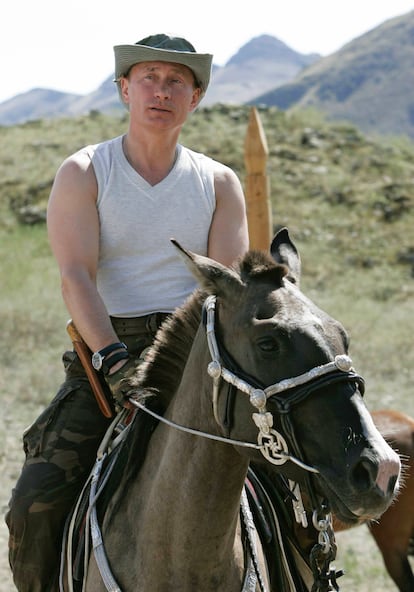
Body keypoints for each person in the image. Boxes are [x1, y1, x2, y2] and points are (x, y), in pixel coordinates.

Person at [6, 33, 249, 591]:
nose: (161, 92)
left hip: (200, 358)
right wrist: (115, 361)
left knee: (295, 483)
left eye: (176, 82)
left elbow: (227, 290)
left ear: (196, 98)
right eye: (149, 79)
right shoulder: (86, 171)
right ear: (124, 89)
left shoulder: (218, 182)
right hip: (105, 356)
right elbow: (76, 276)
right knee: (33, 505)